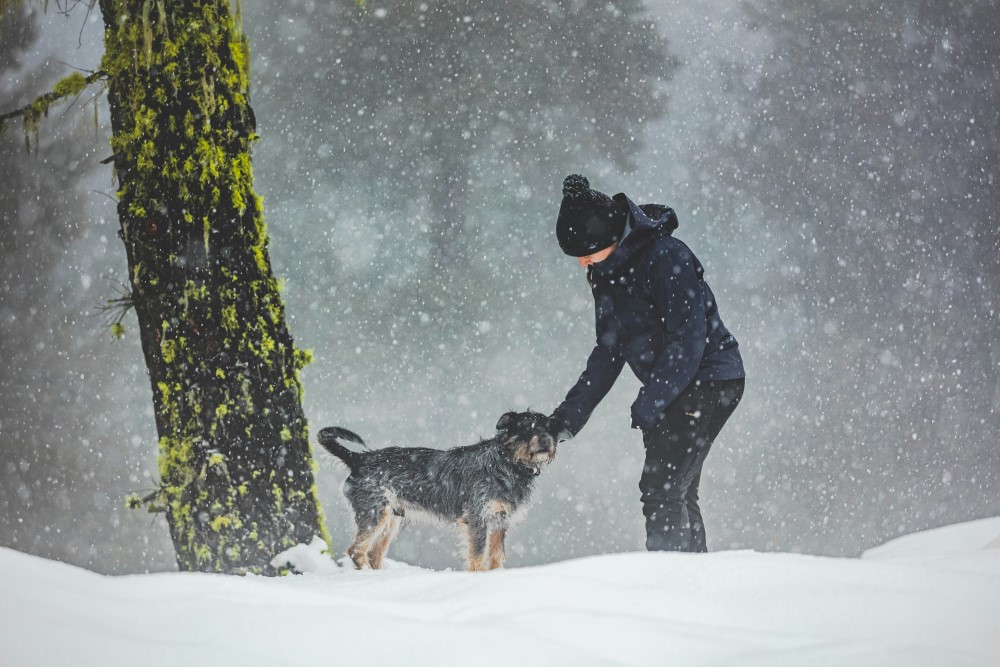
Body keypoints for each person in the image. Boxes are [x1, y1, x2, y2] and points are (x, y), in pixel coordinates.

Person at [550, 174, 745, 553]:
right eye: (576, 255)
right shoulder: (604, 274)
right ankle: (693, 583)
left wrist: (652, 402)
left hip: (709, 379)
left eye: (586, 251)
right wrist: (565, 421)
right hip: (674, 385)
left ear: (610, 235)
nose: (582, 262)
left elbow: (688, 340)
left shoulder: (666, 257)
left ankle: (669, 585)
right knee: (676, 490)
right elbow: (608, 352)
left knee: (662, 490)